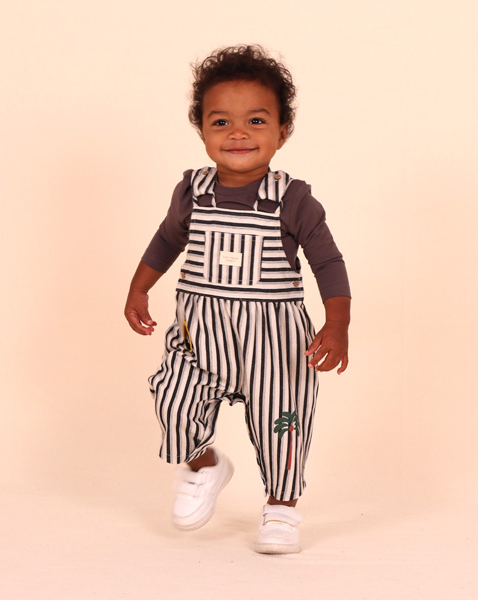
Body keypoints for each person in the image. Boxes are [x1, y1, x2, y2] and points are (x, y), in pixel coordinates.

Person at [124, 45, 351, 554]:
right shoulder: (192, 191)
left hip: (275, 343)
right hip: (200, 335)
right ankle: (204, 465)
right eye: (221, 121)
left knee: (282, 423)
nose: (238, 133)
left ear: (282, 132)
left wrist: (337, 324)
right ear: (202, 130)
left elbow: (329, 264)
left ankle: (281, 507)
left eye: (256, 120)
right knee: (172, 400)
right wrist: (140, 288)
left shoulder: (293, 200)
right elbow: (166, 240)